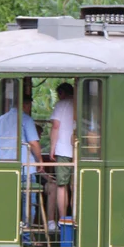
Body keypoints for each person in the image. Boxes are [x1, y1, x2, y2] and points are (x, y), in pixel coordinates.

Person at [0, 96, 43, 237]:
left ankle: (8, 234)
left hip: (6, 168)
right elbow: (34, 143)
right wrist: (40, 161)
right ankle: (26, 238)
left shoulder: (1, 119)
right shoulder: (26, 119)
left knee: (9, 202)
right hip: (25, 168)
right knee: (28, 204)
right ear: (26, 105)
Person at [47, 82, 76, 231]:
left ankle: (63, 220)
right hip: (79, 151)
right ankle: (76, 219)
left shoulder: (61, 105)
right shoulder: (81, 103)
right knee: (75, 186)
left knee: (61, 185)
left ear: (62, 94)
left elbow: (56, 126)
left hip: (63, 150)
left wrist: (52, 147)